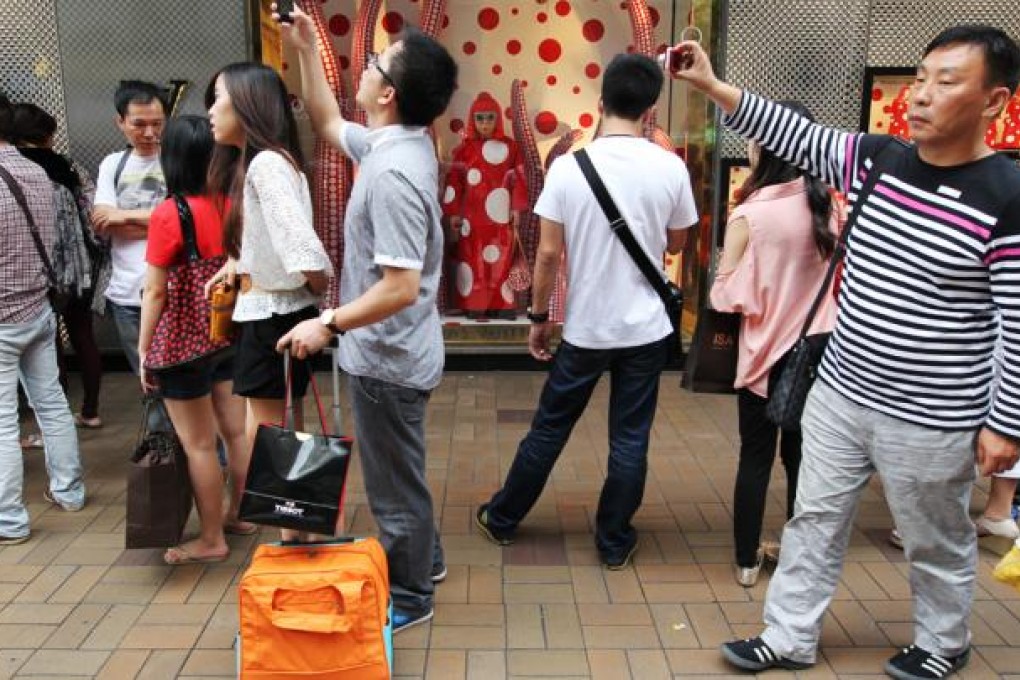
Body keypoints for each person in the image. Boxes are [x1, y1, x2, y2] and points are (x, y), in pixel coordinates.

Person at [673, 24, 1020, 679]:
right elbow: (793, 132)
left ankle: (944, 641)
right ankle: (789, 635)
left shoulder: (1006, 198)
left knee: (933, 537)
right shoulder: (876, 158)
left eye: (946, 83)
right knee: (813, 518)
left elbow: (1017, 321)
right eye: (920, 78)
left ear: (994, 102)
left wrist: (1006, 423)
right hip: (840, 392)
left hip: (933, 412)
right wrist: (713, 84)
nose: (921, 95)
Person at [274, 3, 457, 634]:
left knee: (391, 486)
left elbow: (400, 287)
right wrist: (303, 45)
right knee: (402, 469)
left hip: (387, 359)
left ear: (386, 91)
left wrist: (327, 323)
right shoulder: (393, 140)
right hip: (391, 352)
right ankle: (425, 561)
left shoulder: (395, 174)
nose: (369, 64)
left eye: (377, 61)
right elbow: (325, 120)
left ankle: (409, 595)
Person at [473, 53, 697, 570]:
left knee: (550, 427)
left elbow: (548, 254)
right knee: (630, 435)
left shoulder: (571, 167)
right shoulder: (670, 167)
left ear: (601, 103)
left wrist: (538, 320)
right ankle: (614, 540)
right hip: (644, 330)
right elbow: (678, 243)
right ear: (650, 108)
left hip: (587, 328)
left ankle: (503, 517)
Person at [709, 101, 838, 587]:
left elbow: (726, 294)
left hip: (765, 358)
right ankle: (801, 557)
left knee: (755, 457)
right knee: (803, 458)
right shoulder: (830, 204)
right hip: (822, 356)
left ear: (766, 143)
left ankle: (746, 560)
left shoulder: (751, 214)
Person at [204, 62, 333, 544]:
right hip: (280, 312)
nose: (211, 110)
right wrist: (237, 265)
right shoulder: (268, 161)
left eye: (219, 97)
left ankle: (291, 540)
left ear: (248, 104)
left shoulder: (264, 164)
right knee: (282, 428)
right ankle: (299, 532)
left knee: (268, 433)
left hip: (274, 315)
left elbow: (299, 244)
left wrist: (319, 286)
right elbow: (273, 239)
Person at [137, 115, 250, 564]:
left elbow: (155, 291)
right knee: (236, 430)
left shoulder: (170, 212)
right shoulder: (228, 202)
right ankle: (240, 514)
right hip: (225, 331)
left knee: (199, 444)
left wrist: (146, 349)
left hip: (182, 344)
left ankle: (210, 539)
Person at [0, 91, 86, 545]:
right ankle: (69, 493)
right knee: (50, 403)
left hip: (2, 318)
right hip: (39, 307)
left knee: (2, 419)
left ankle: (10, 520)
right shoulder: (36, 172)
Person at [12, 102, 104, 429]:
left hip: (34, 268)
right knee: (83, 335)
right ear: (48, 134)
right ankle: (91, 410)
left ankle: (58, 416)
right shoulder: (69, 166)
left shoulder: (12, 169)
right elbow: (92, 213)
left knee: (48, 344)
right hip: (77, 267)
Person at [92, 80, 171, 432]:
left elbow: (188, 220)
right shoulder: (112, 164)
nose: (150, 132)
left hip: (173, 291)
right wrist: (162, 220)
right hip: (126, 295)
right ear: (120, 122)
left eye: (157, 123)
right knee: (149, 383)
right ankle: (164, 460)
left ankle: (198, 458)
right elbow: (103, 221)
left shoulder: (177, 158)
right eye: (139, 124)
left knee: (185, 382)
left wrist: (126, 218)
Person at [442, 92, 522, 319]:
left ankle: (503, 305)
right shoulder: (464, 150)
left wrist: (517, 208)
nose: (485, 123)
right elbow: (454, 184)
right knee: (473, 260)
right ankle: (474, 303)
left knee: (502, 260)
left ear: (497, 118)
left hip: (501, 217)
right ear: (472, 120)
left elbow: (519, 179)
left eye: (489, 117)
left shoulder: (512, 148)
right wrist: (453, 213)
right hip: (472, 218)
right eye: (480, 118)